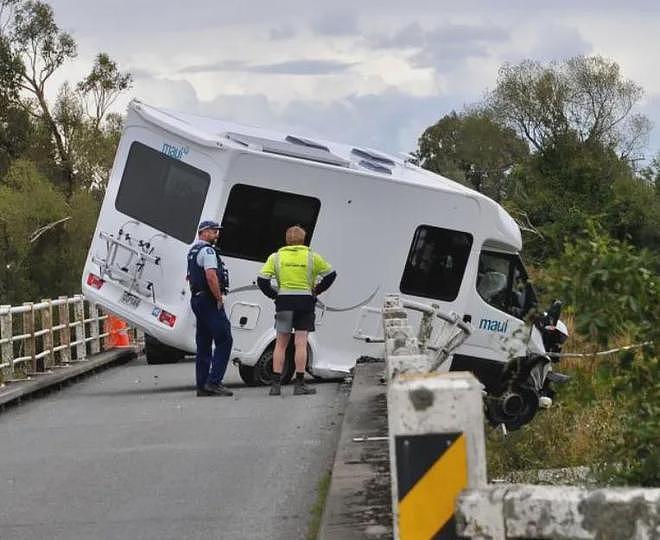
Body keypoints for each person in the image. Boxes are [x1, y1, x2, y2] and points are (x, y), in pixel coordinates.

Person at [257, 225, 337, 396]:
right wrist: (318, 289)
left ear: (286, 240)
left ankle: (275, 385)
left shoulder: (276, 257)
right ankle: (300, 384)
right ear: (303, 239)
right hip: (305, 302)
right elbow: (331, 274)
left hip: (284, 302)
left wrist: (274, 295)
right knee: (300, 343)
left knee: (280, 344)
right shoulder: (312, 257)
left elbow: (262, 280)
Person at [187, 220, 234, 397]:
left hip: (197, 299)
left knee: (204, 342)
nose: (217, 234)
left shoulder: (192, 250)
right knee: (225, 339)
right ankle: (214, 382)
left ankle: (202, 385)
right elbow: (211, 275)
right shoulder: (207, 251)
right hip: (208, 300)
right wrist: (219, 298)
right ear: (204, 232)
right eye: (214, 231)